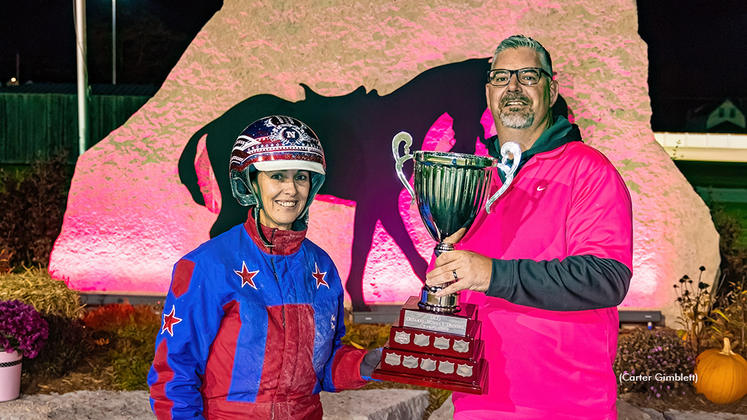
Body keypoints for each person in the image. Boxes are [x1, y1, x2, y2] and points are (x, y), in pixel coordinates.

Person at [425, 35, 633, 419]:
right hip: (475, 404)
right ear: (489, 93)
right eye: (502, 77)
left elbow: (606, 278)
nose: (514, 88)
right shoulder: (477, 178)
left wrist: (492, 274)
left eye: (528, 75)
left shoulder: (588, 170)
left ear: (551, 90)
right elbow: (456, 278)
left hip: (566, 406)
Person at [148, 115, 380, 420]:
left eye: (300, 176)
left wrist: (366, 364)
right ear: (251, 183)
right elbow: (174, 374)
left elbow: (321, 367)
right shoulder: (208, 266)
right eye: (277, 176)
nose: (291, 190)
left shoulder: (322, 266)